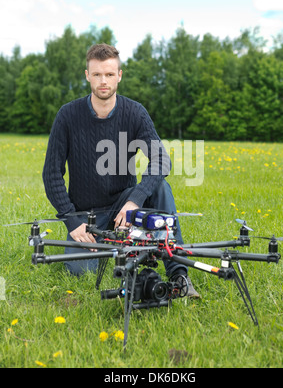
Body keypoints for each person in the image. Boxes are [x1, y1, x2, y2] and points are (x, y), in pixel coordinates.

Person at [42, 43, 199, 298]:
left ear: (119, 75)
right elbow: (51, 175)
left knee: (159, 186)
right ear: (87, 75)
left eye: (109, 74)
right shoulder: (67, 116)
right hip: (87, 217)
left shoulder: (135, 113)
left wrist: (135, 200)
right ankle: (129, 251)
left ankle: (179, 274)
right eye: (97, 74)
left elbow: (161, 160)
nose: (103, 81)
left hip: (124, 209)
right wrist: (72, 222)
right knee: (83, 271)